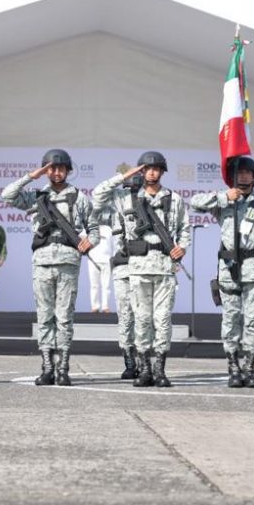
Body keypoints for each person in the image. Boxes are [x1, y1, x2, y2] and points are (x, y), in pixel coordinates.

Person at [2, 149, 98, 386]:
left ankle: (63, 368)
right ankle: (47, 367)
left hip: (68, 261)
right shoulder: (36, 197)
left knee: (64, 316)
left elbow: (94, 228)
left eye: (60, 168)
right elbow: (7, 195)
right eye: (51, 168)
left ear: (68, 170)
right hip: (43, 261)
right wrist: (32, 176)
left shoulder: (79, 198)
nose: (56, 173)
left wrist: (91, 240)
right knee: (45, 316)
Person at [94, 151, 190, 388]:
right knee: (143, 320)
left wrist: (182, 248)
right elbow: (97, 195)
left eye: (156, 168)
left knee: (162, 319)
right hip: (137, 268)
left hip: (164, 268)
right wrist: (124, 176)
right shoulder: (127, 199)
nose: (151, 172)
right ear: (141, 171)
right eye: (147, 169)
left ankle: (159, 370)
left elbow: (184, 229)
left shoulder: (175, 199)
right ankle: (144, 369)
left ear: (162, 172)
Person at [191, 157, 254, 388]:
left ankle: (249, 368)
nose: (242, 176)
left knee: (253, 320)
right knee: (230, 319)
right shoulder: (224, 201)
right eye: (238, 172)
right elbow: (195, 203)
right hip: (229, 269)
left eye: (247, 172)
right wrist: (224, 197)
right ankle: (233, 366)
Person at [91, 199, 138, 379]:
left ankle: (145, 363)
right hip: (122, 270)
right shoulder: (111, 215)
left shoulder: (147, 209)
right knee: (126, 318)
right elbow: (96, 204)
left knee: (144, 319)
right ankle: (129, 363)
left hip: (145, 269)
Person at [88, 220, 114, 313]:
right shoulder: (90, 228)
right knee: (94, 285)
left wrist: (112, 258)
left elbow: (113, 246)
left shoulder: (109, 229)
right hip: (92, 260)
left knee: (106, 285)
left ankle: (105, 306)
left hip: (106, 260)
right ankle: (95, 306)